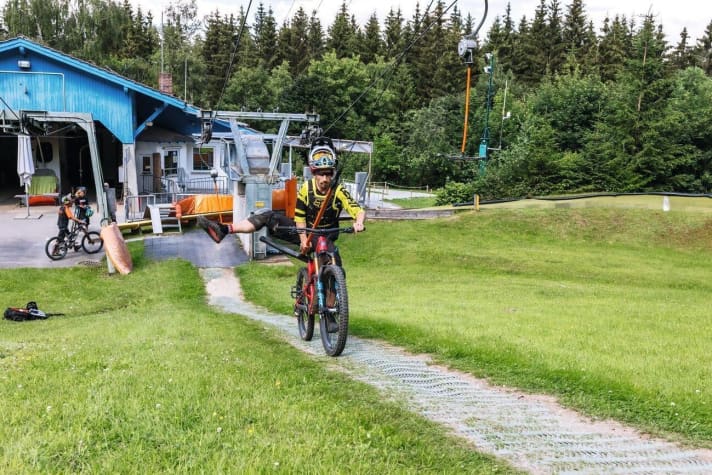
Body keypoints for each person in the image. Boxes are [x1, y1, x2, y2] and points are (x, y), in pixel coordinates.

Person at [198, 137, 366, 264]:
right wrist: (303, 242)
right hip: (306, 232)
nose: (324, 179)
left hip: (327, 236)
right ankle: (225, 229)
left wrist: (359, 222)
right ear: (314, 173)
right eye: (320, 173)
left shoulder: (338, 190)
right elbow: (299, 218)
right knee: (268, 216)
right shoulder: (306, 189)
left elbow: (358, 210)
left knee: (336, 262)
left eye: (328, 174)